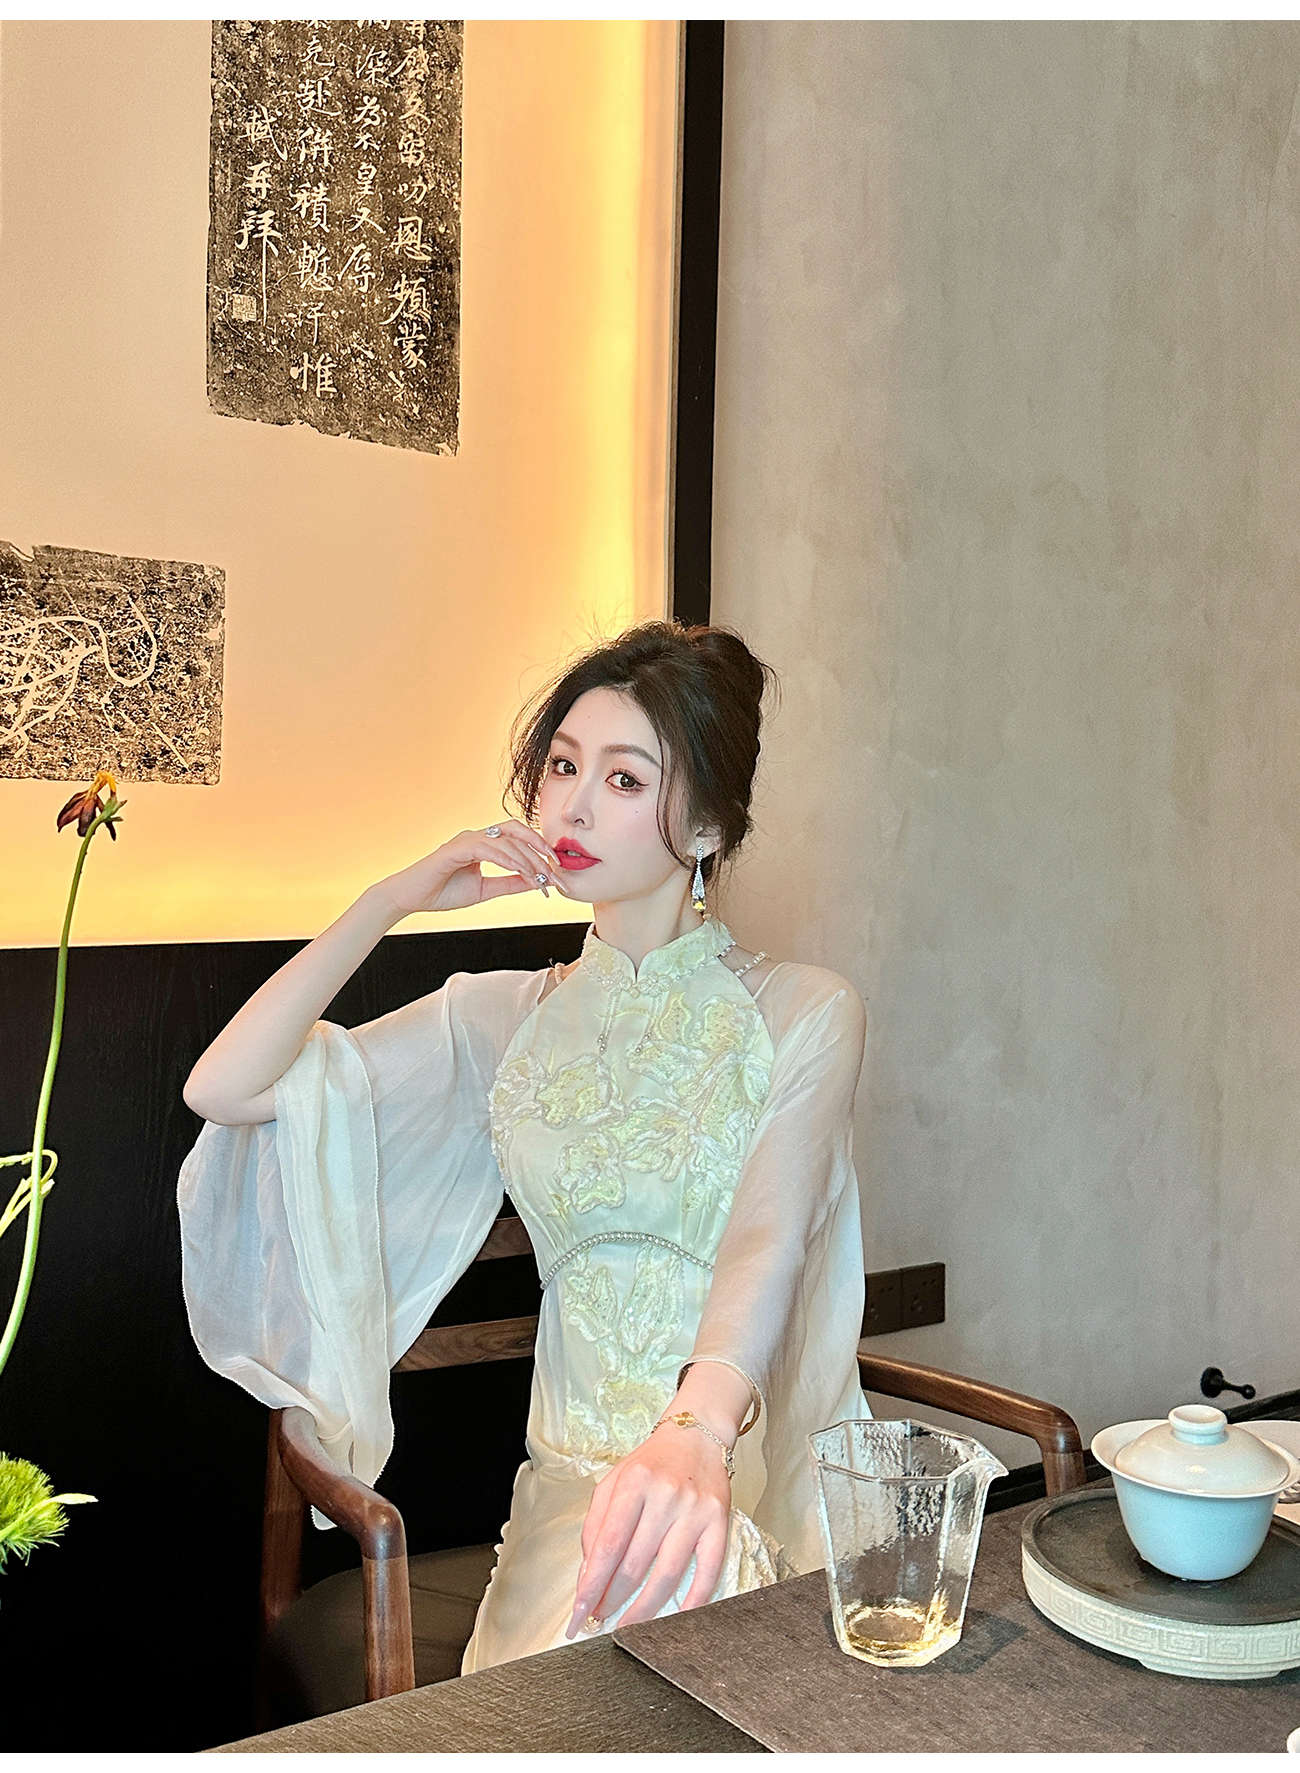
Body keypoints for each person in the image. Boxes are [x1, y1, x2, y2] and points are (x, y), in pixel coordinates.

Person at [177, 618, 871, 1672]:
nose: (574, 806)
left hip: (727, 1473)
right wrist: (392, 900)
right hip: (562, 1506)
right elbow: (224, 1089)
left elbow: (766, 1238)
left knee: (699, 1611)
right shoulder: (505, 1018)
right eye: (561, 766)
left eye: (625, 779)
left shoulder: (805, 1010)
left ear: (704, 828)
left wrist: (695, 1438)